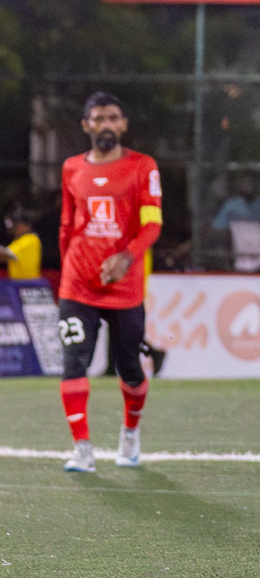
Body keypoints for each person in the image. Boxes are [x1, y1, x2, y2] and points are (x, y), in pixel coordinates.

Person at [57, 91, 162, 472]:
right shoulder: (71, 168)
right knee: (73, 362)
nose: (106, 124)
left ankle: (130, 432)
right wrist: (68, 274)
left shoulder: (142, 167)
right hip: (78, 287)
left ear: (124, 124)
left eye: (113, 118)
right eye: (98, 118)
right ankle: (82, 448)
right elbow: (68, 225)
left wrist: (126, 258)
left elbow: (152, 223)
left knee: (130, 368)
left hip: (124, 289)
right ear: (86, 124)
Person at [3, 207, 42, 279]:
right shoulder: (18, 241)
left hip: (28, 285)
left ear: (26, 225)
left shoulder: (31, 239)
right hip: (19, 285)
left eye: (17, 224)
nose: (14, 227)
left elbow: (5, 254)